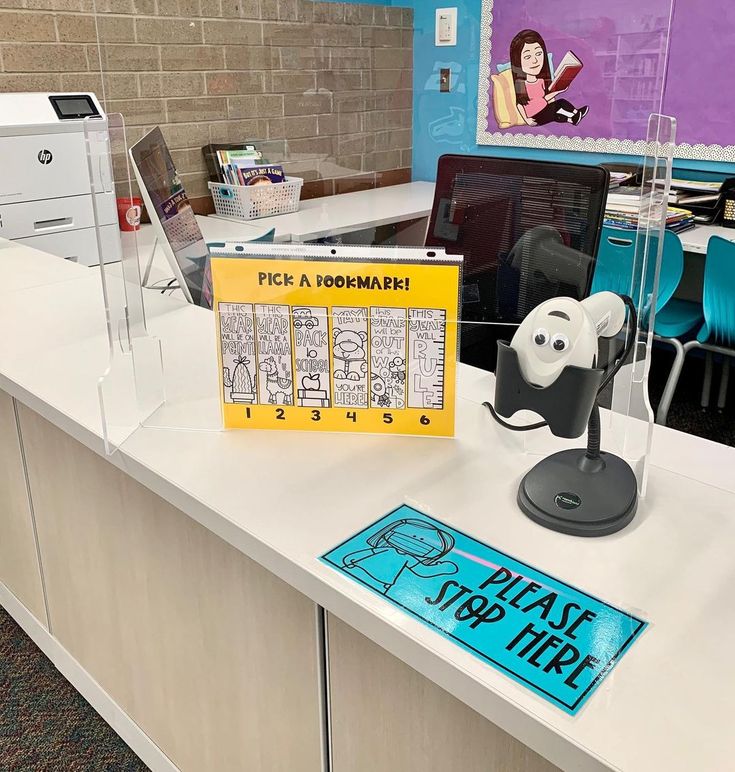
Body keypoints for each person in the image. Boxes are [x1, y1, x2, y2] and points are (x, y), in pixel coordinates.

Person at [510, 29, 588, 127]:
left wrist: (559, 90)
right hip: (535, 117)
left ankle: (575, 115)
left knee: (561, 103)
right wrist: (527, 120)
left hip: (545, 109)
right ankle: (573, 117)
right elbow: (519, 105)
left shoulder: (541, 81)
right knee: (556, 112)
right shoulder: (521, 84)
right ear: (518, 60)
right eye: (527, 57)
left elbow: (546, 98)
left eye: (538, 54)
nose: (535, 60)